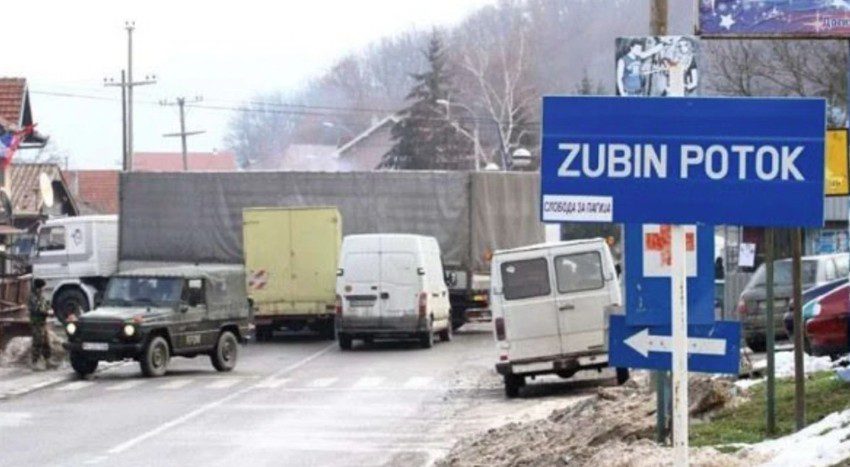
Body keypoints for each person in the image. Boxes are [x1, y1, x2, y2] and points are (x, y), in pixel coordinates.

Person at [29, 278, 53, 370]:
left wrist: (49, 308)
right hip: (37, 323)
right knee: (37, 342)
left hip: (42, 322)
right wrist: (47, 312)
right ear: (38, 288)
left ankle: (48, 360)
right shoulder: (33, 297)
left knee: (46, 342)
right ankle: (35, 362)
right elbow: (36, 309)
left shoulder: (41, 296)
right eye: (43, 287)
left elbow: (46, 305)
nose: (44, 289)